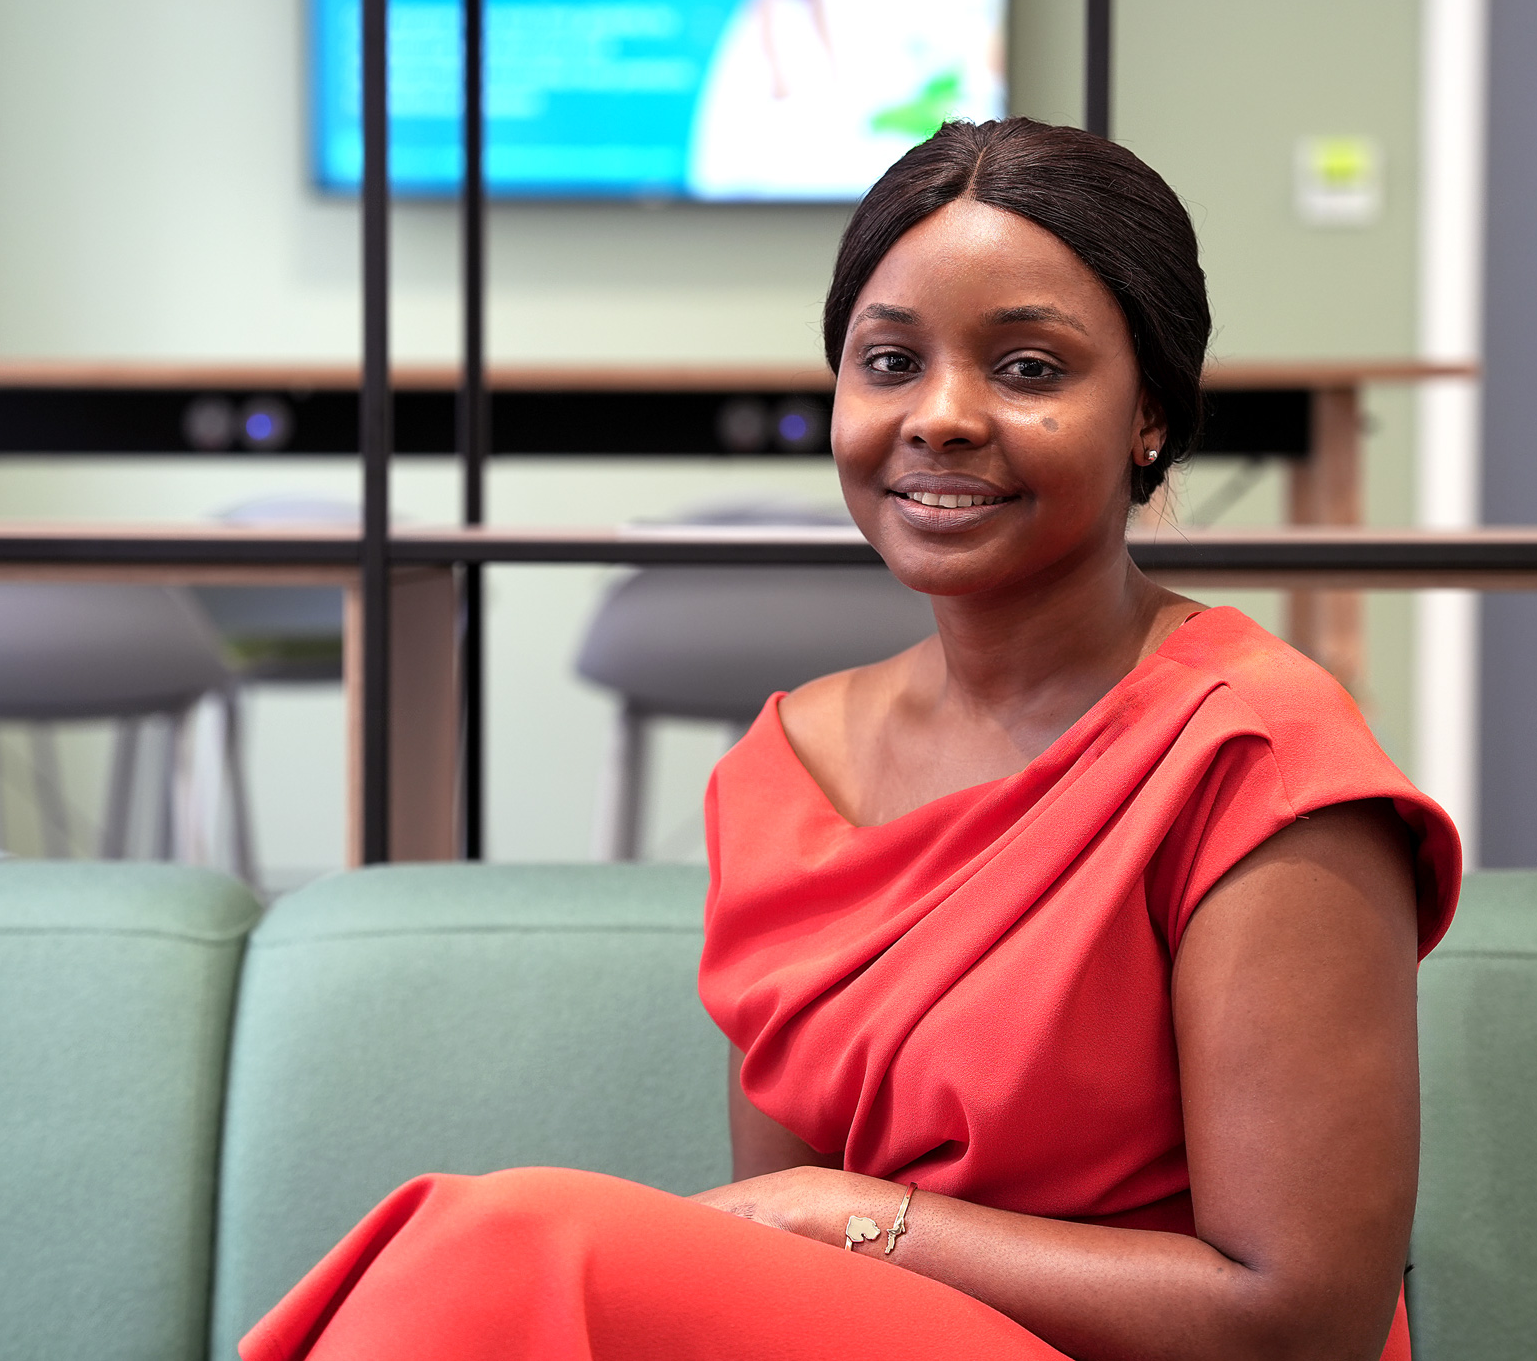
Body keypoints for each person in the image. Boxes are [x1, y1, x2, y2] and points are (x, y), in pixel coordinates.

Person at [240, 117, 1460, 1361]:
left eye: (1029, 369)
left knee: (507, 1242)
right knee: (490, 1261)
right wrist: (827, 1228)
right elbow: (765, 1288)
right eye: (887, 362)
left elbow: (1303, 1319)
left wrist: (852, 1214)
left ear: (1148, 413)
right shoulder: (781, 770)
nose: (939, 417)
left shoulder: (1254, 756)